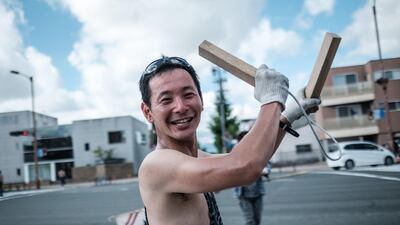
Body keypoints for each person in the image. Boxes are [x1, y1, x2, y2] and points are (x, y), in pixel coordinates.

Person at [138, 56, 321, 225]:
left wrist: (286, 118)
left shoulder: (194, 158)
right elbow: (245, 167)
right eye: (166, 99)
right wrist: (272, 100)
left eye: (188, 94)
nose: (180, 107)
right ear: (148, 112)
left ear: (201, 99)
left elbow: (253, 156)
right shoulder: (156, 165)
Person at [234, 131, 265, 225]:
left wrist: (265, 171)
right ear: (240, 141)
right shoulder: (235, 154)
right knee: (250, 221)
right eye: (244, 139)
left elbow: (267, 164)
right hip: (244, 195)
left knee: (257, 220)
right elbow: (232, 170)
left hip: (258, 192)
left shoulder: (258, 152)